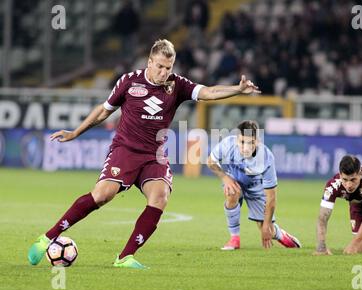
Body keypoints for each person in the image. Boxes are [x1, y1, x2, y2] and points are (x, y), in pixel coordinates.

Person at [28, 39, 261, 269]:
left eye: (168, 67)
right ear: (149, 62)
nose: (163, 72)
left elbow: (209, 92)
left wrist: (237, 89)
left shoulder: (176, 85)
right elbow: (103, 111)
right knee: (102, 195)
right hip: (125, 150)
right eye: (159, 66)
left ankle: (125, 257)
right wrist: (76, 132)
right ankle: (47, 238)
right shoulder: (129, 82)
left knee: (160, 197)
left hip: (154, 155)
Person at [207, 120, 301, 250]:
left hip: (256, 188)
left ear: (257, 141)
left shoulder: (266, 158)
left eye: (250, 142)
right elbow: (210, 161)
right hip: (234, 180)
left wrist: (267, 225)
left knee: (265, 228)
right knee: (231, 192)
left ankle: (281, 235)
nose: (245, 148)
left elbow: (271, 197)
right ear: (236, 140)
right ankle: (235, 239)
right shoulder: (228, 144)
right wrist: (225, 178)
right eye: (242, 142)